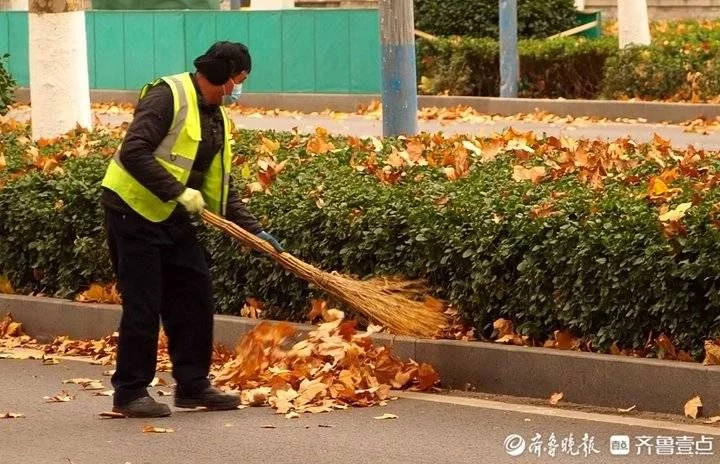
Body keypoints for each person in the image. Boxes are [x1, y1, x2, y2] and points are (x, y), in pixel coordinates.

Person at [101, 41, 283, 418]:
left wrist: (254, 232)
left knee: (194, 294)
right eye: (238, 80)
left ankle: (193, 385)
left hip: (171, 214)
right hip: (131, 210)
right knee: (144, 304)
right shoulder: (167, 96)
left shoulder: (216, 117)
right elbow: (134, 151)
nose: (237, 90)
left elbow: (220, 190)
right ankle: (130, 393)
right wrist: (178, 192)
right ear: (221, 76)